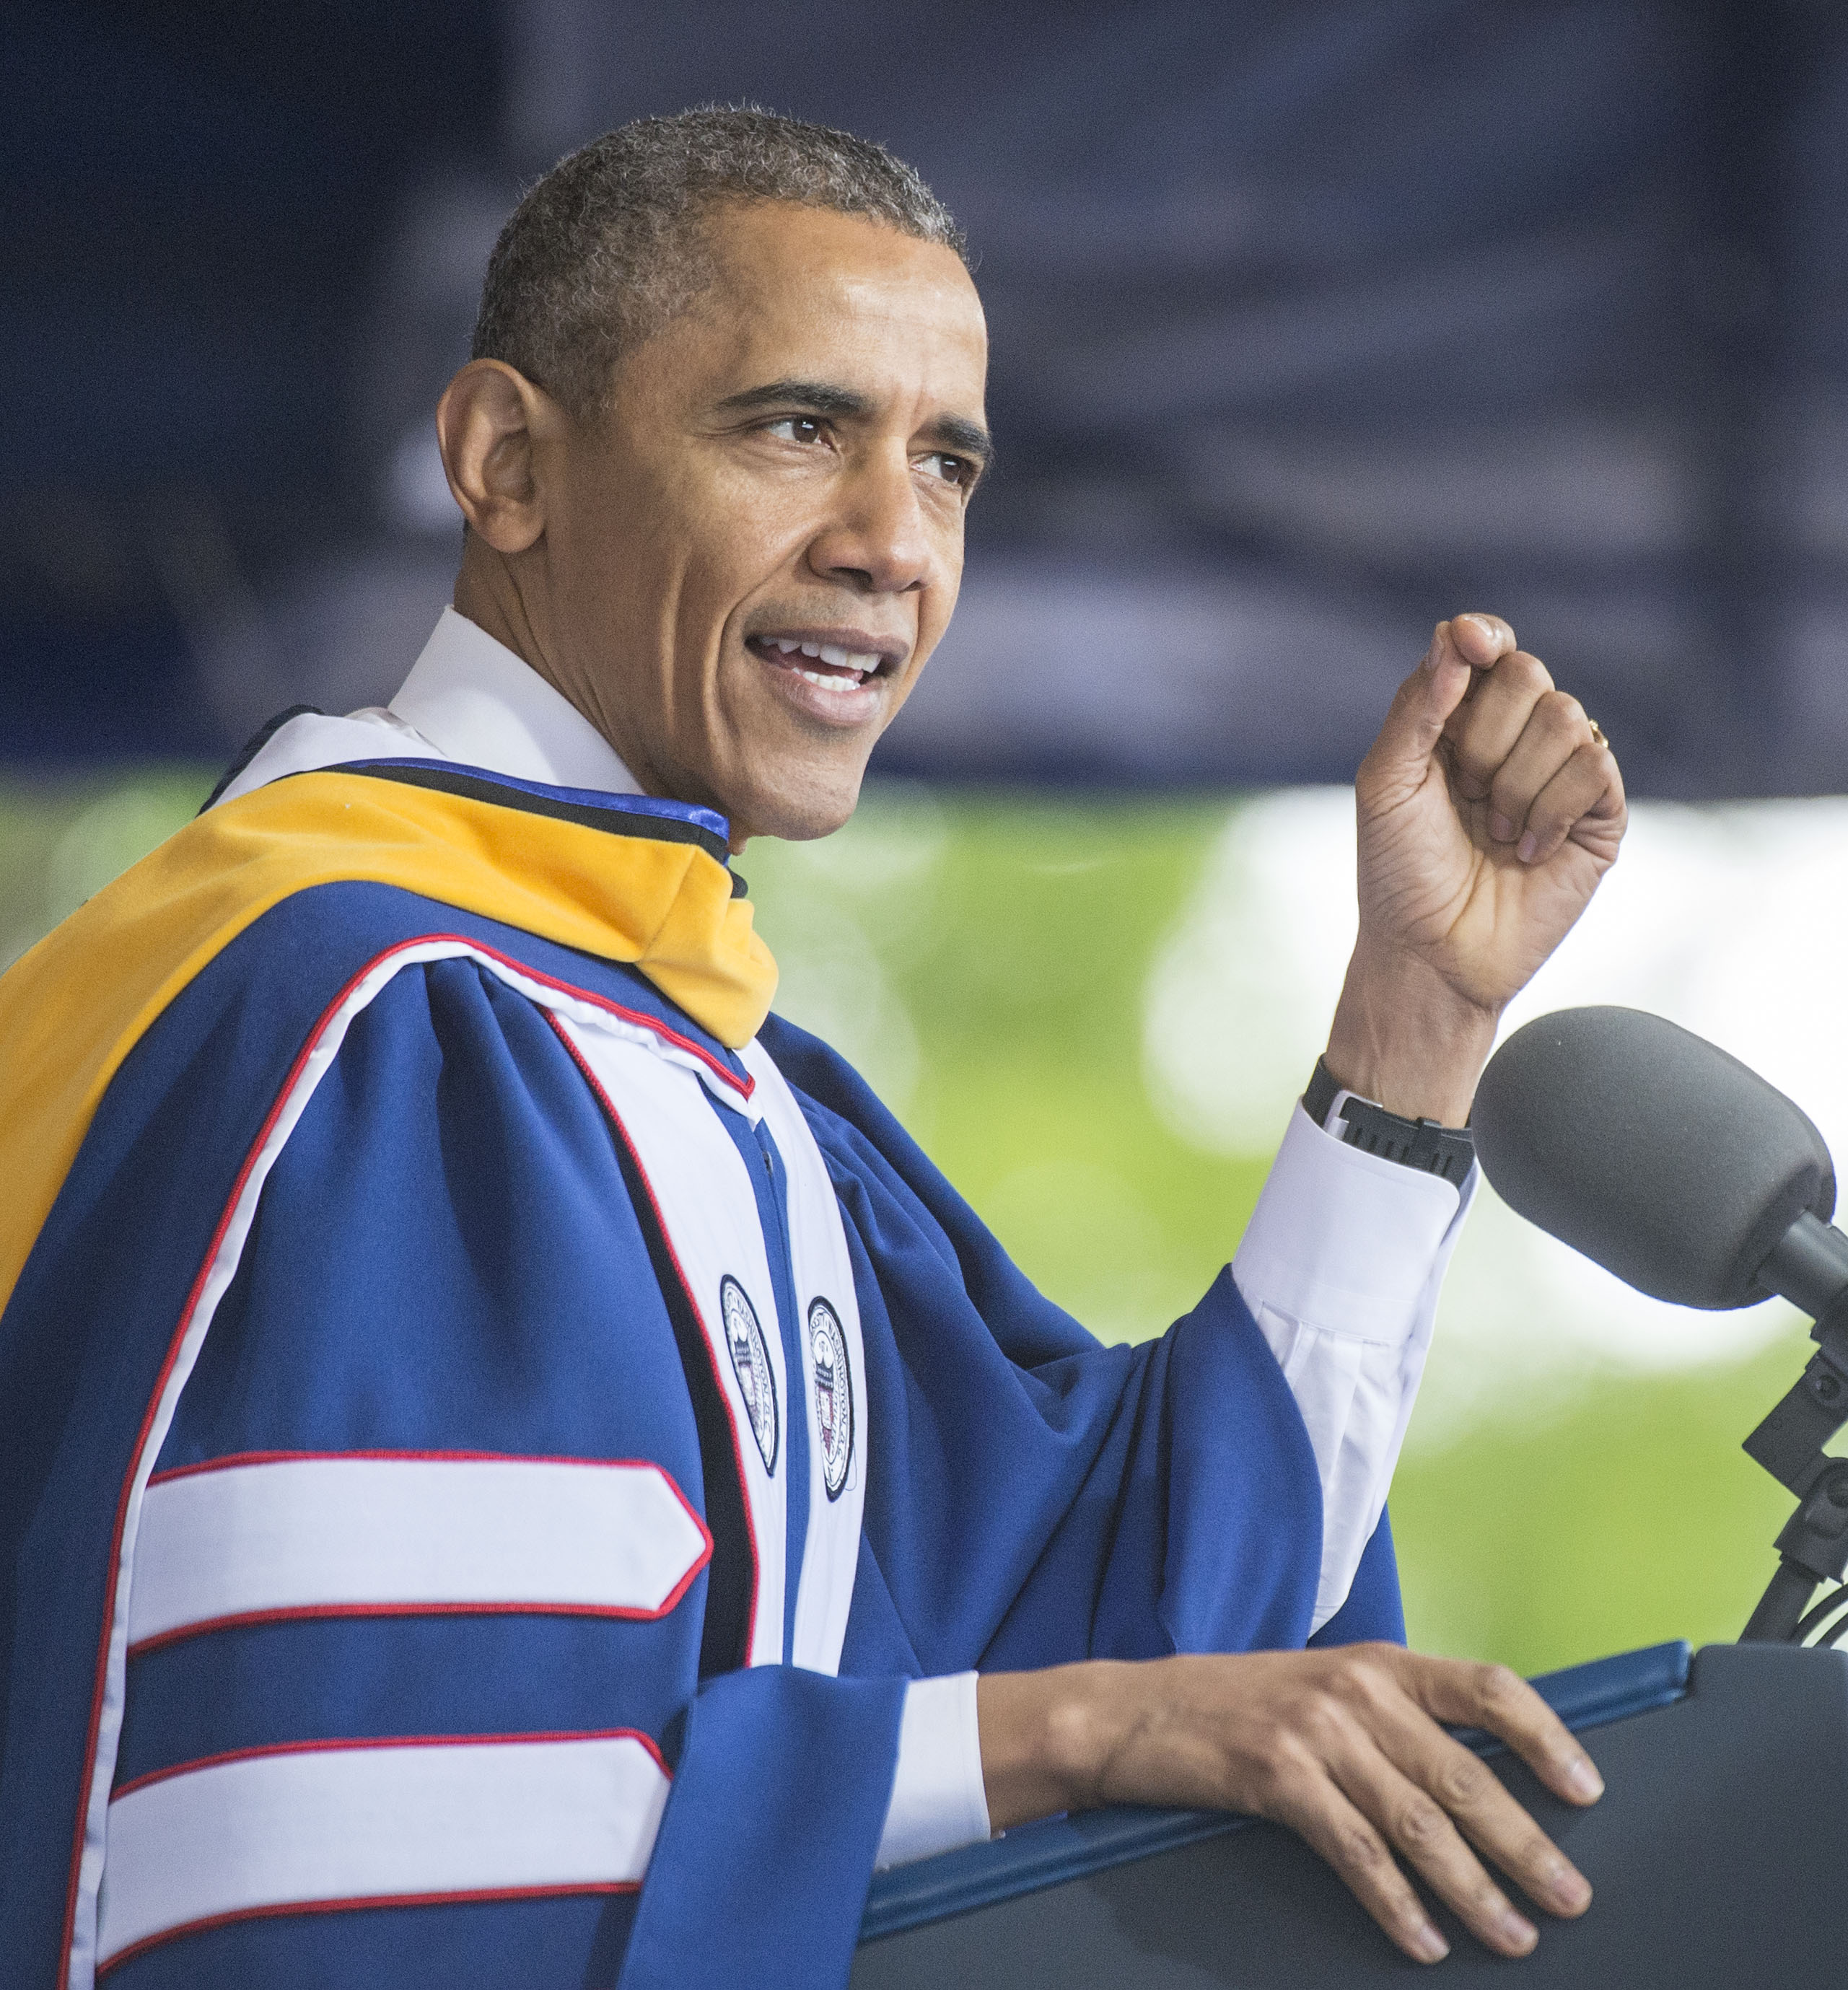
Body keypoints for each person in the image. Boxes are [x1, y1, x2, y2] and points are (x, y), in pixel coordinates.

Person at [0, 109, 1628, 1990]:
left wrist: (1415, 1013)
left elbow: (1159, 1640)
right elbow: (353, 1857)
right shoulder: (364, 1023)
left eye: (945, 465)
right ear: (507, 462)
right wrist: (1076, 1733)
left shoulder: (716, 1086)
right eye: (795, 428)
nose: (890, 544)